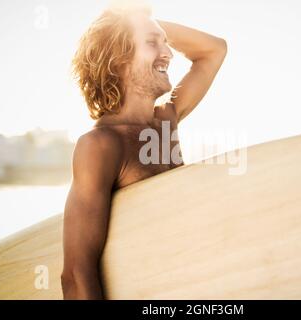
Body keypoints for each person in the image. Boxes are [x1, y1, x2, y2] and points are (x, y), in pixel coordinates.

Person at [61, 2, 227, 299]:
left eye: (165, 42)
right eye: (152, 43)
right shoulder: (100, 146)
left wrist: (144, 23)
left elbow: (214, 50)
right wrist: (123, 25)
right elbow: (76, 273)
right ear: (118, 57)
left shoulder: (166, 120)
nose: (169, 53)